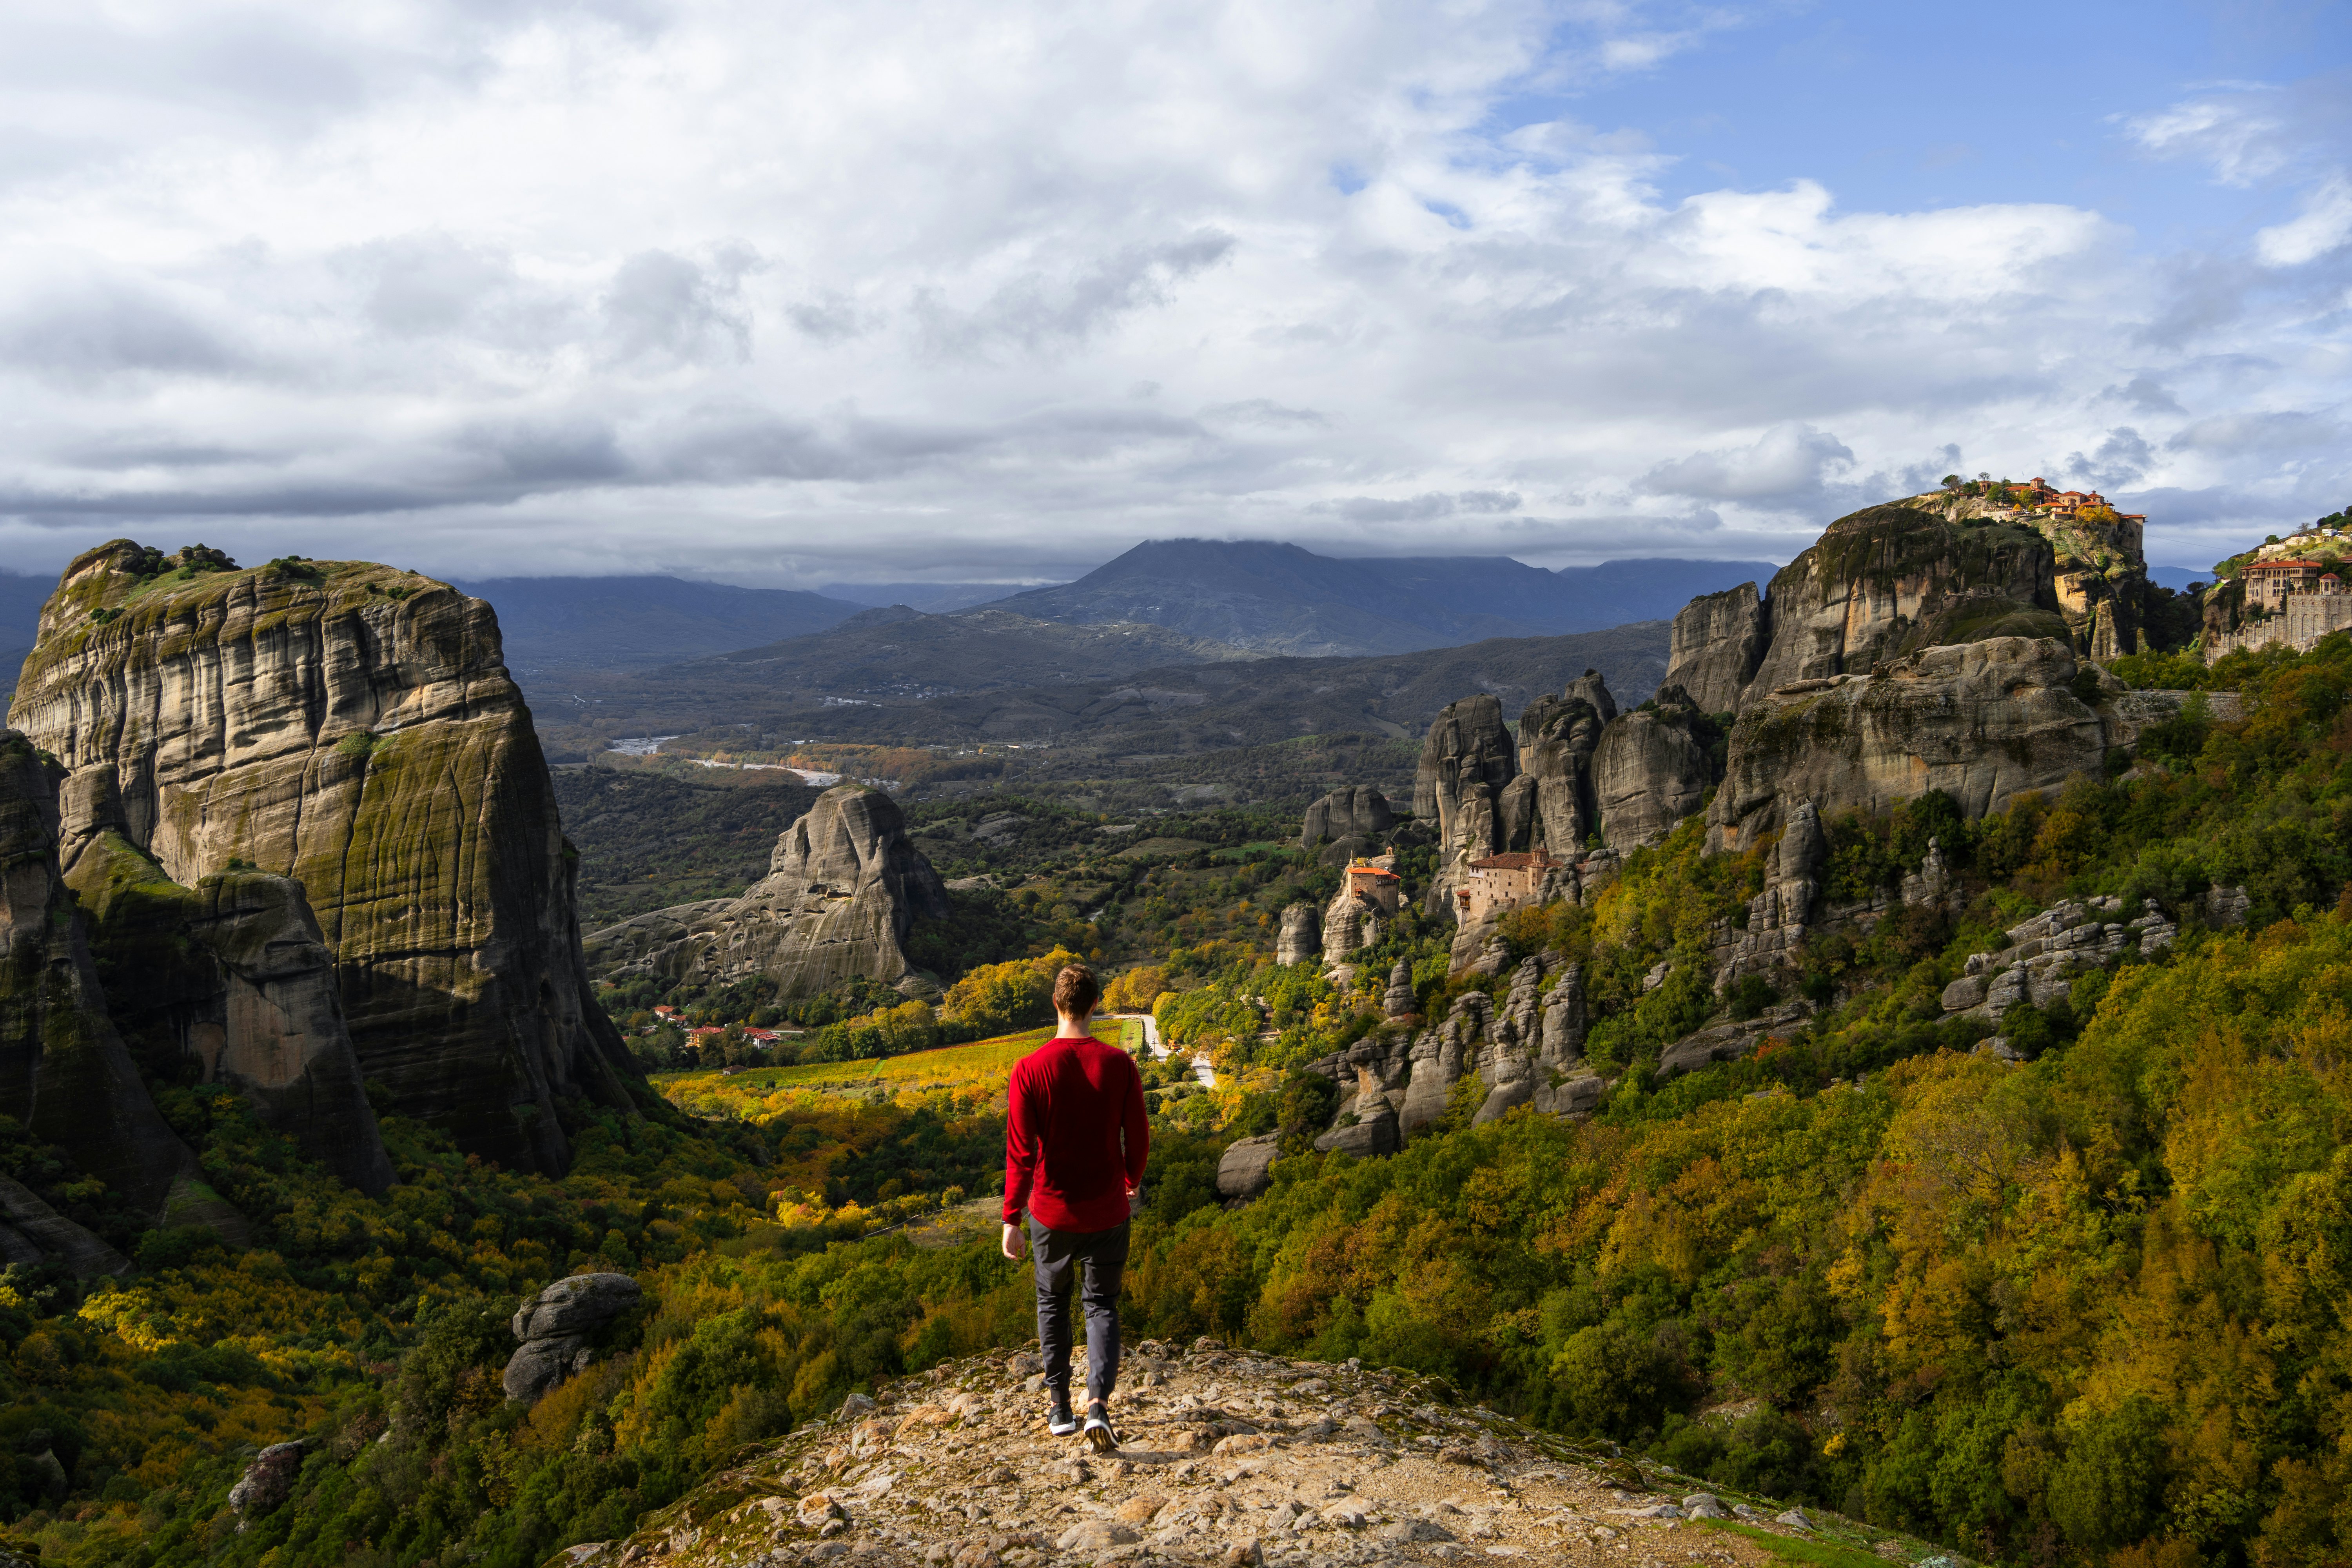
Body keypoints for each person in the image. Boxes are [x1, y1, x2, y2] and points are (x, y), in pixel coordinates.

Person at [1002, 964, 1149, 1449]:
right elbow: (1139, 1137)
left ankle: (1061, 1407)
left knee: (1053, 1303)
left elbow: (1021, 1153)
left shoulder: (1029, 1068)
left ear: (1056, 1003)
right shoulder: (1120, 1065)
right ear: (1095, 1005)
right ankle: (1099, 1407)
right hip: (1108, 1211)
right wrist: (1131, 1181)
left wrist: (1012, 1217)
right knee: (1102, 1304)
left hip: (1051, 1213)